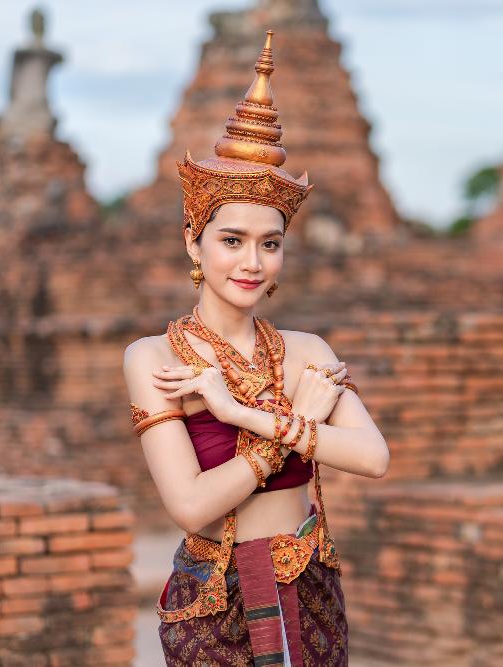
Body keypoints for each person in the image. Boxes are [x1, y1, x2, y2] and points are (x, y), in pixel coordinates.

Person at [122, 31, 390, 666]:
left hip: (310, 585)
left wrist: (243, 414)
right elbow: (189, 504)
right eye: (232, 240)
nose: (252, 262)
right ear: (195, 243)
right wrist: (289, 429)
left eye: (270, 244)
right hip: (213, 601)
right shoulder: (154, 358)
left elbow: (374, 457)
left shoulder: (306, 349)